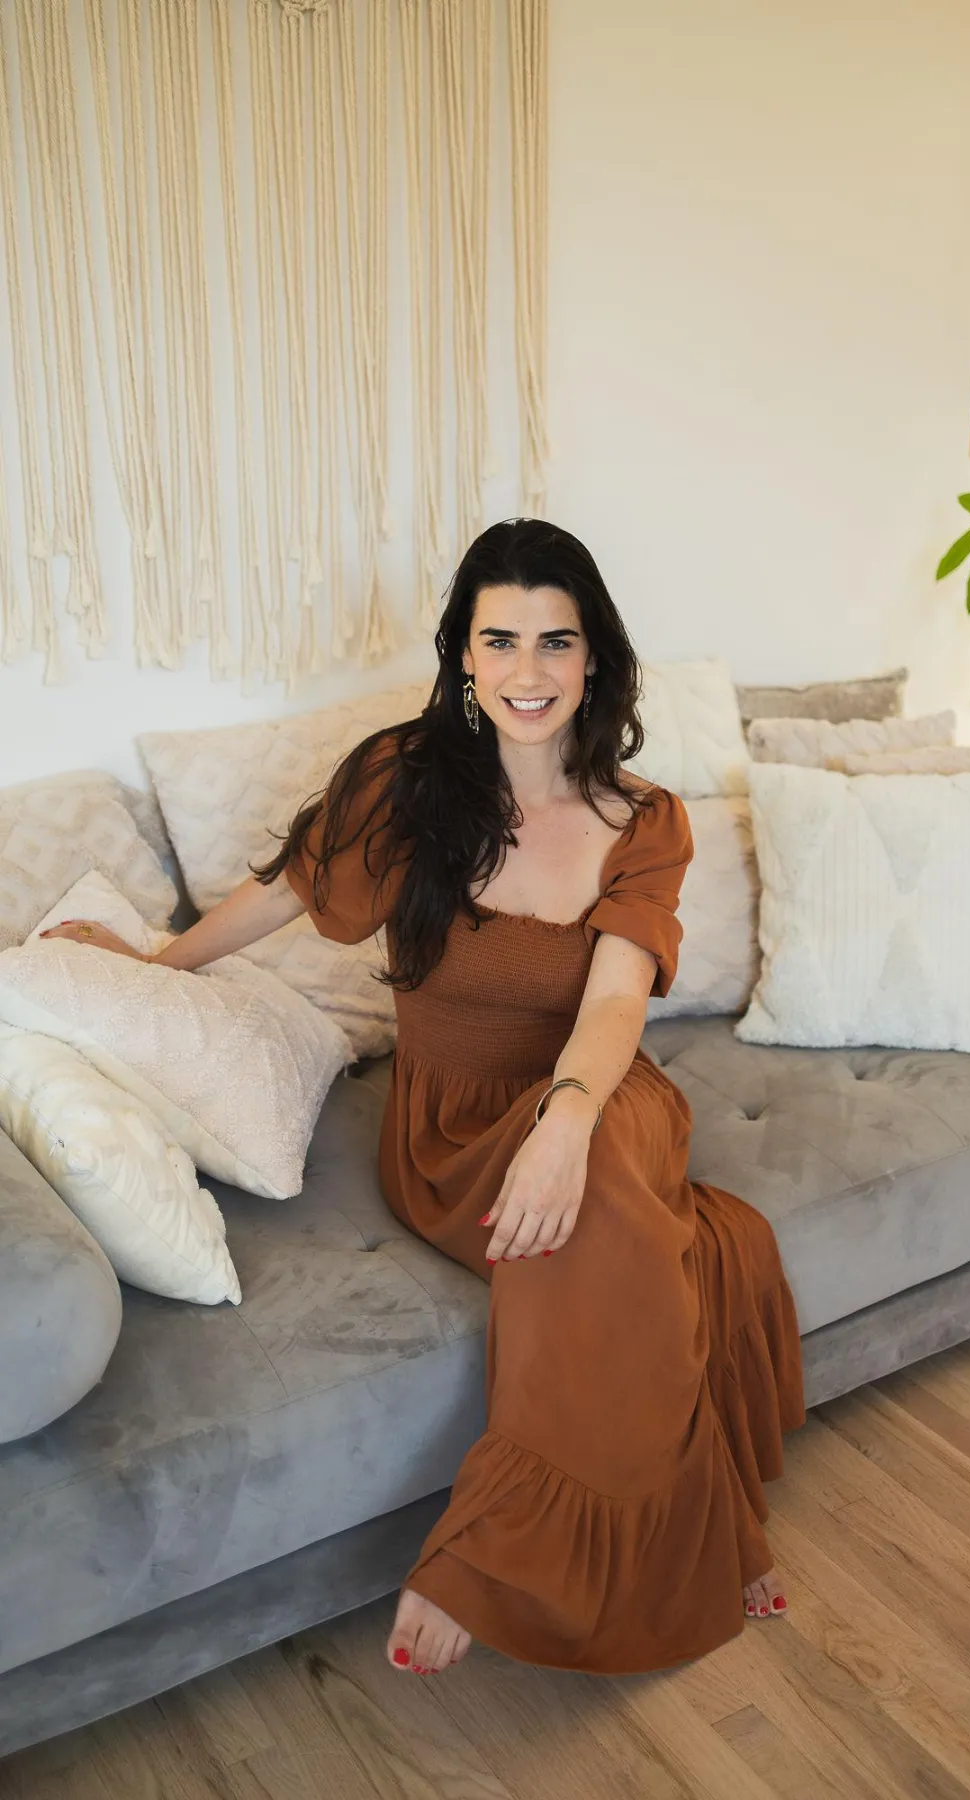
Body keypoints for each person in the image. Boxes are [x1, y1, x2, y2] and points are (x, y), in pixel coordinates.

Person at [41, 518, 806, 1678]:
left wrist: (566, 1121)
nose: (528, 671)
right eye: (501, 640)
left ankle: (494, 1549)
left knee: (603, 1178)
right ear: (462, 656)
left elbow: (613, 1006)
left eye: (556, 641)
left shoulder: (646, 820)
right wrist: (157, 962)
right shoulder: (403, 780)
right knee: (668, 1247)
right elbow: (286, 888)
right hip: (451, 1129)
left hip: (600, 1097)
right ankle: (721, 1531)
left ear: (594, 656)